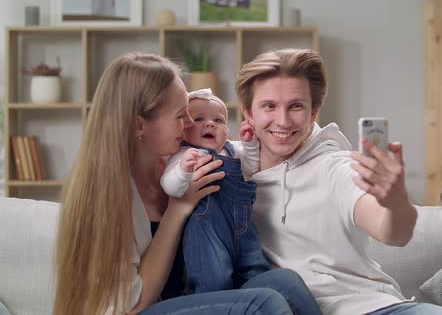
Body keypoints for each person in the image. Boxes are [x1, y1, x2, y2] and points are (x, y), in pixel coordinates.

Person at [53, 52, 322, 315]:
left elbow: (242, 157)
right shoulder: (107, 194)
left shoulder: (180, 158)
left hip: (191, 297)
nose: (191, 122)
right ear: (139, 126)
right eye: (181, 115)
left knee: (285, 283)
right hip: (136, 308)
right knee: (262, 303)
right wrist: (177, 210)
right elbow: (134, 303)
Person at [235, 48, 442, 315]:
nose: (283, 121)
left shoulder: (337, 167)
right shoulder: (231, 166)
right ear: (248, 112)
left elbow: (394, 233)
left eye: (296, 106)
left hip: (372, 308)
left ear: (314, 112)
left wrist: (397, 201)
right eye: (269, 106)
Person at [160, 88, 270, 293]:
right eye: (199, 119)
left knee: (257, 271)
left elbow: (252, 167)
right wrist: (184, 170)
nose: (210, 124)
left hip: (243, 226)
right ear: (183, 128)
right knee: (214, 278)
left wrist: (250, 144)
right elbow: (170, 187)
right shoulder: (184, 154)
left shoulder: (233, 150)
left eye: (219, 121)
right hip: (206, 228)